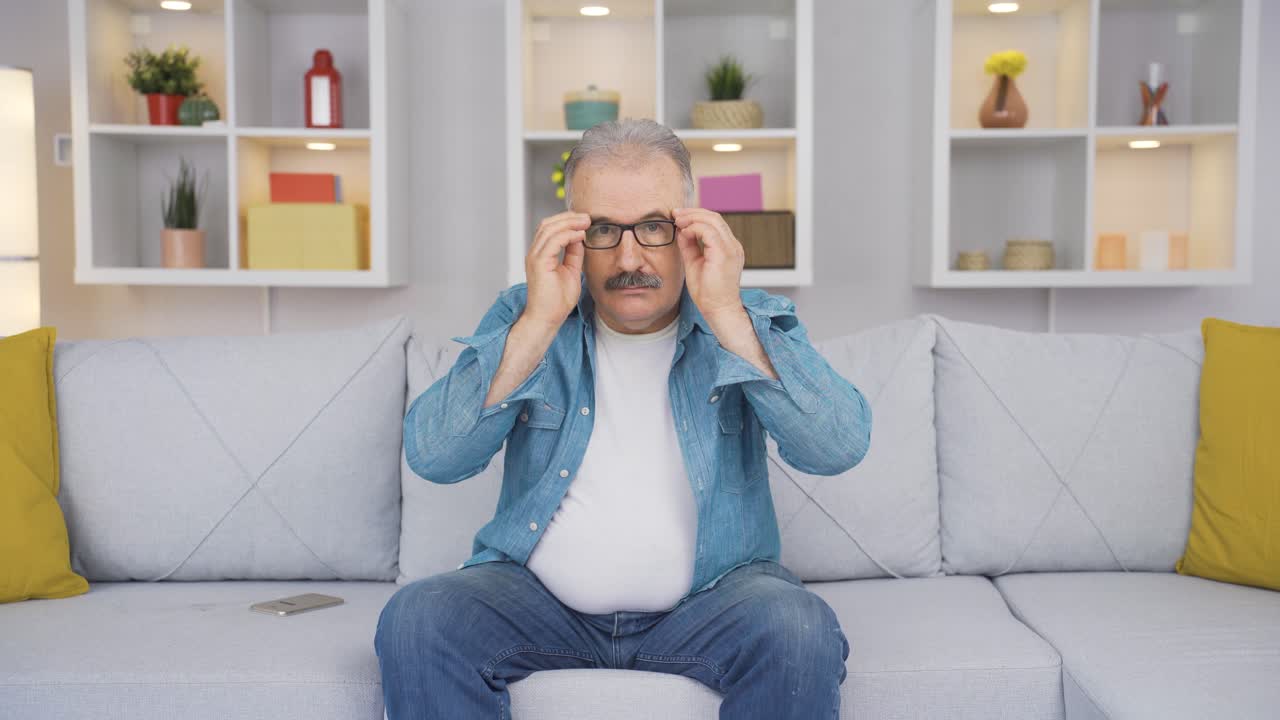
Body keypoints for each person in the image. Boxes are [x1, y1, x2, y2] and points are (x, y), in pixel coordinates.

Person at [376, 118, 873, 719]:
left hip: (712, 603)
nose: (629, 257)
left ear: (690, 228)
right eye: (605, 230)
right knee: (418, 617)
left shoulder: (743, 320)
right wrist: (536, 323)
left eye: (654, 228)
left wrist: (725, 310)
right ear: (573, 237)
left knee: (799, 627)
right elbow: (434, 455)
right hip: (539, 604)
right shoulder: (527, 315)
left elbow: (838, 445)